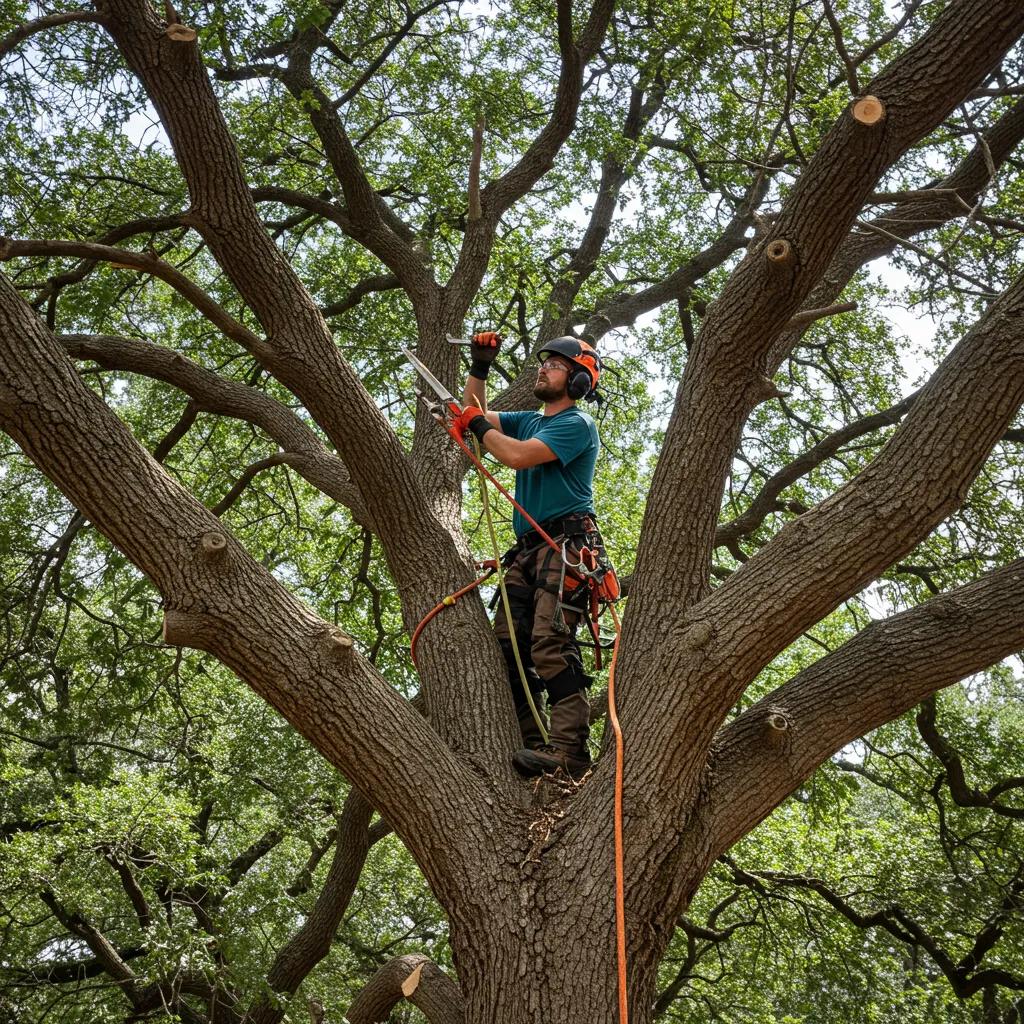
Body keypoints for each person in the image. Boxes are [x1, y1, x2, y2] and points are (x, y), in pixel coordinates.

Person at [454, 330, 606, 779]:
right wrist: (480, 367)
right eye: (544, 363)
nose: (543, 368)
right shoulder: (530, 419)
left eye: (554, 365)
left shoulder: (575, 425)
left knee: (550, 643)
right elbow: (476, 414)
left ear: (579, 381)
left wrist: (476, 425)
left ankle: (571, 752)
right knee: (509, 650)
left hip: (566, 545)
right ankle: (535, 741)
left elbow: (515, 456)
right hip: (527, 551)